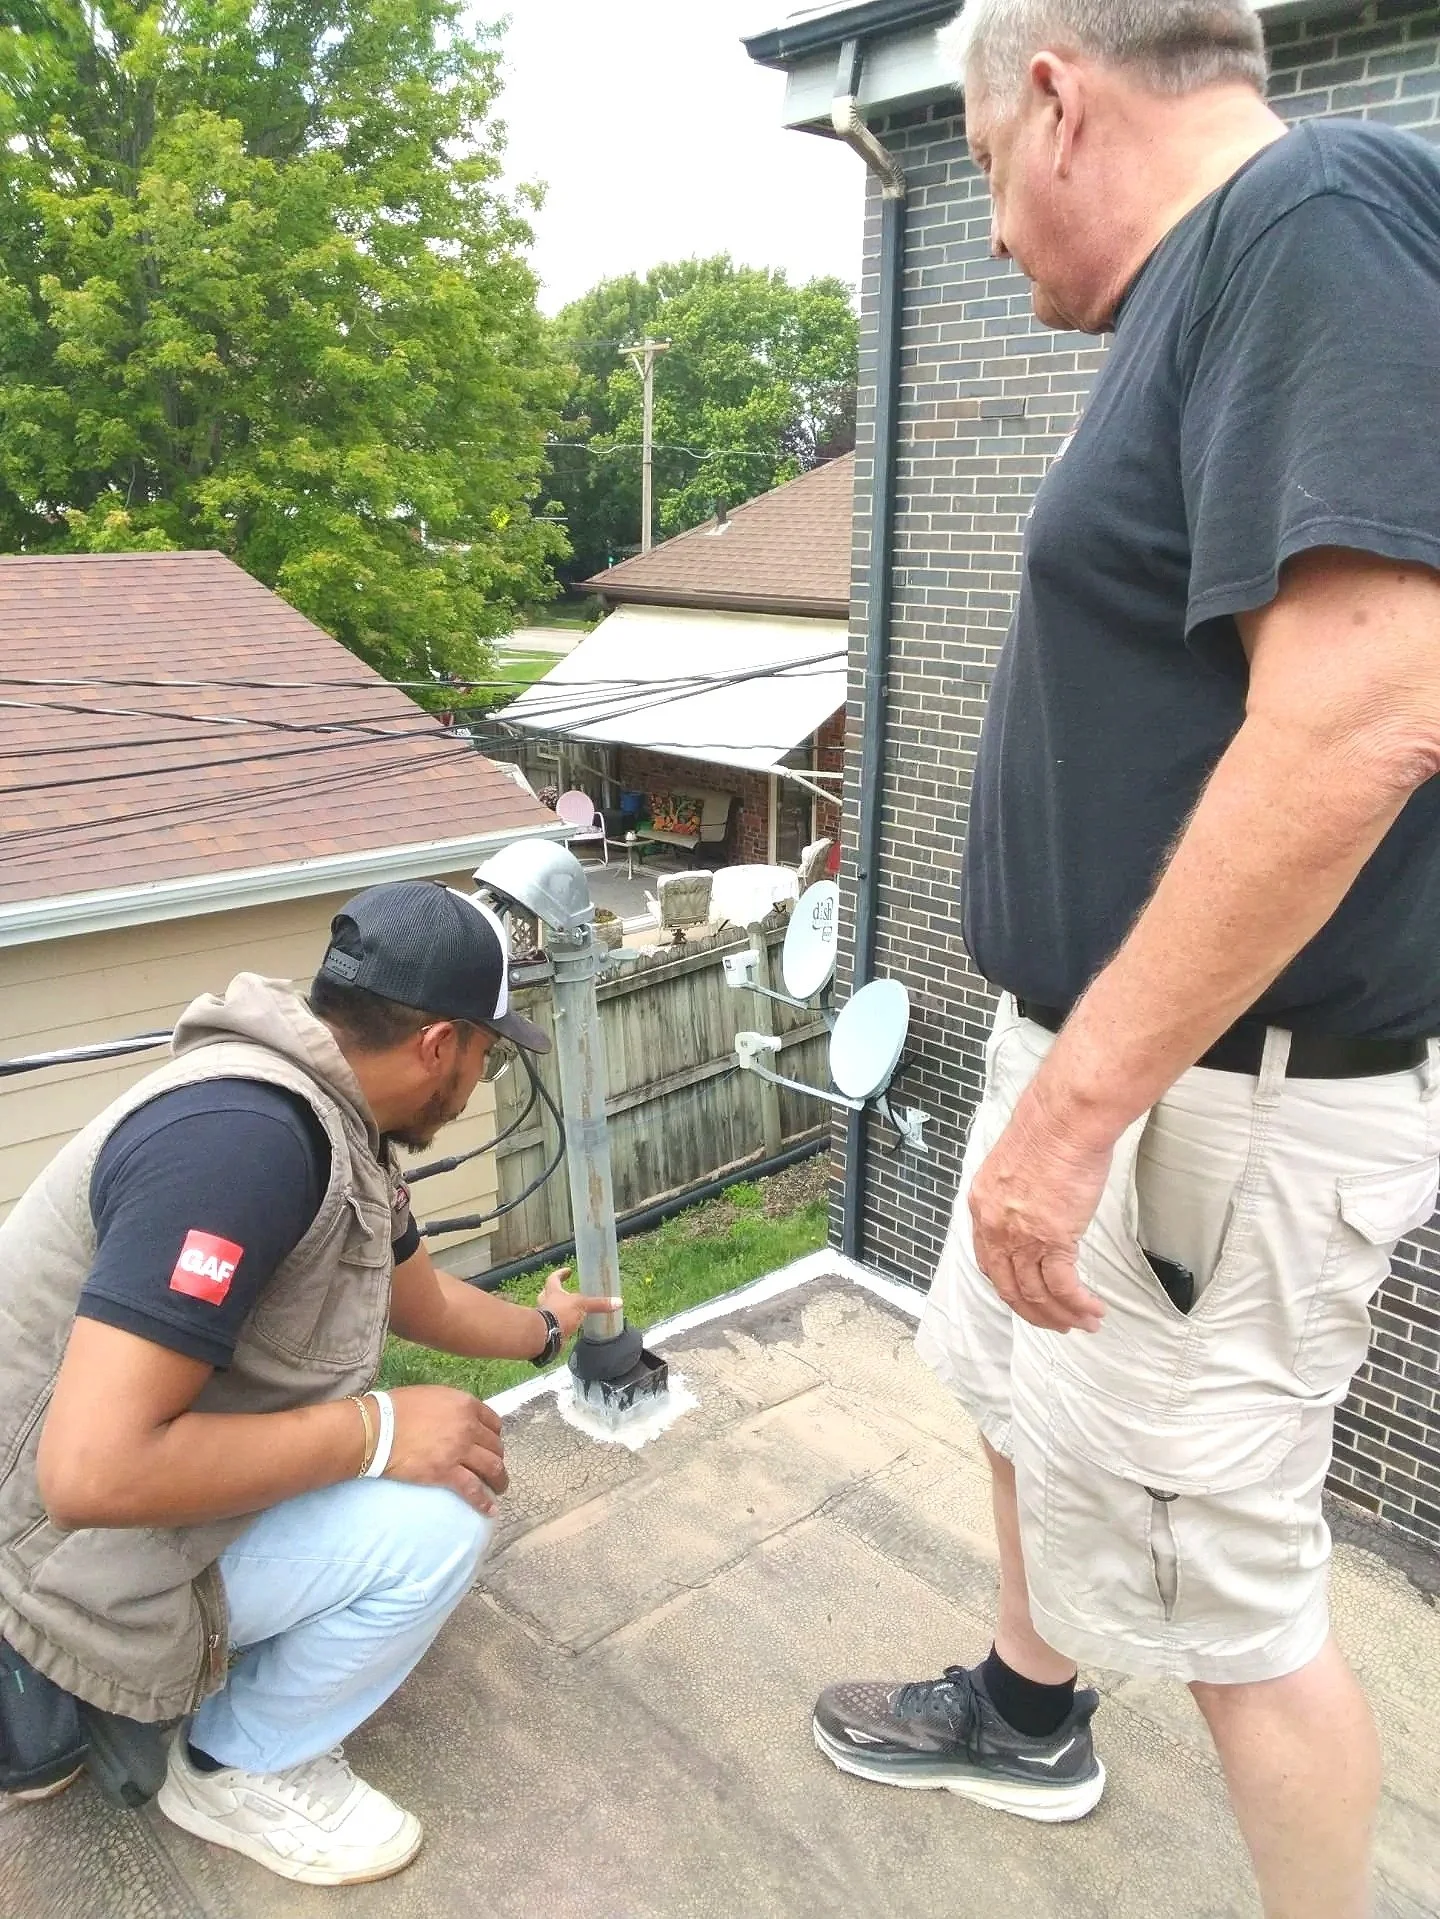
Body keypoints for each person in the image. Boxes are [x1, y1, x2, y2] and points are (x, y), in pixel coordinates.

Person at [811, 4, 1440, 1914]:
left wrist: (1083, 1107)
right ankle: (1026, 1705)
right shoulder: (1210, 290)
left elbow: (1368, 707)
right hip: (1101, 1067)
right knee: (1017, 1400)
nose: (990, 233)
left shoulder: (1315, 214)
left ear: (1062, 103)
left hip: (1194, 1112)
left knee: (1231, 1588)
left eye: (987, 170)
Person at [0, 879, 621, 1886]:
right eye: (488, 1050)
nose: (481, 1075)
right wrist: (376, 1429)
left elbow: (419, 1300)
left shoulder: (336, 1116)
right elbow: (89, 1470)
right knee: (442, 1517)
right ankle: (236, 1762)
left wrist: (545, 1327)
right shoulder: (244, 1145)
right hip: (52, 1547)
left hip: (88, 1509)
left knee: (420, 1461)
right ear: (438, 1045)